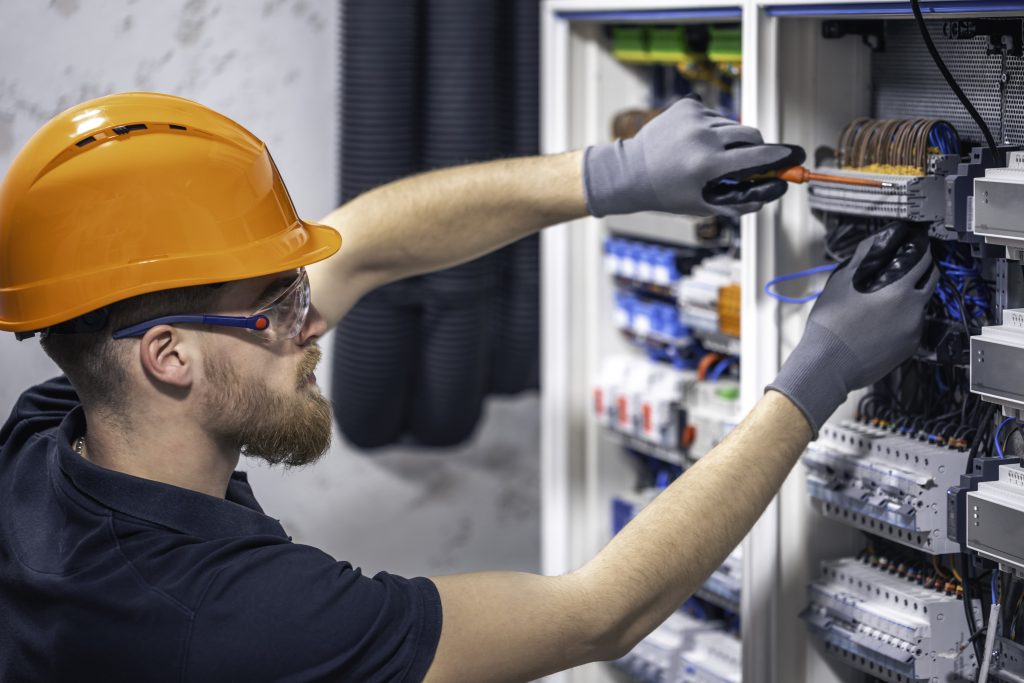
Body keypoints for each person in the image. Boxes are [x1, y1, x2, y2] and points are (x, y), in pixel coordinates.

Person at [0, 92, 937, 682]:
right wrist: (818, 377)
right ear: (167, 357)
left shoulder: (49, 440)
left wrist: (613, 176)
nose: (310, 324)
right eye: (278, 307)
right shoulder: (231, 620)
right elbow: (598, 612)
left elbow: (361, 240)